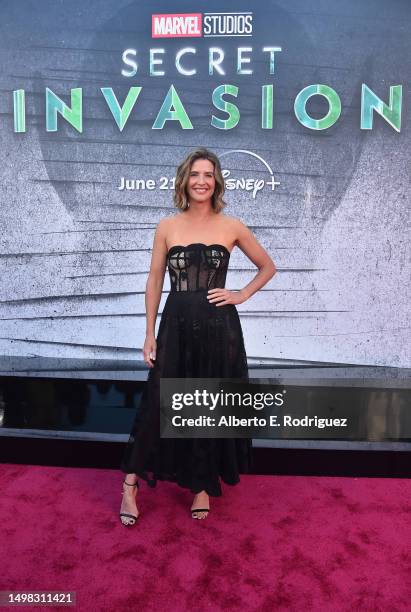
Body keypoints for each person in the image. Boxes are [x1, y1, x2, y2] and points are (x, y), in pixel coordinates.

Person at [119, 148, 277, 525]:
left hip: (218, 328)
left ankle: (202, 485)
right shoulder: (167, 226)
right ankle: (129, 484)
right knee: (158, 402)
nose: (201, 181)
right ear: (184, 180)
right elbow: (155, 278)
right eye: (195, 174)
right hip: (173, 325)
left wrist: (240, 294)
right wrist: (148, 333)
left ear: (217, 181)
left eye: (208, 174)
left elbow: (267, 266)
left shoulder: (232, 226)